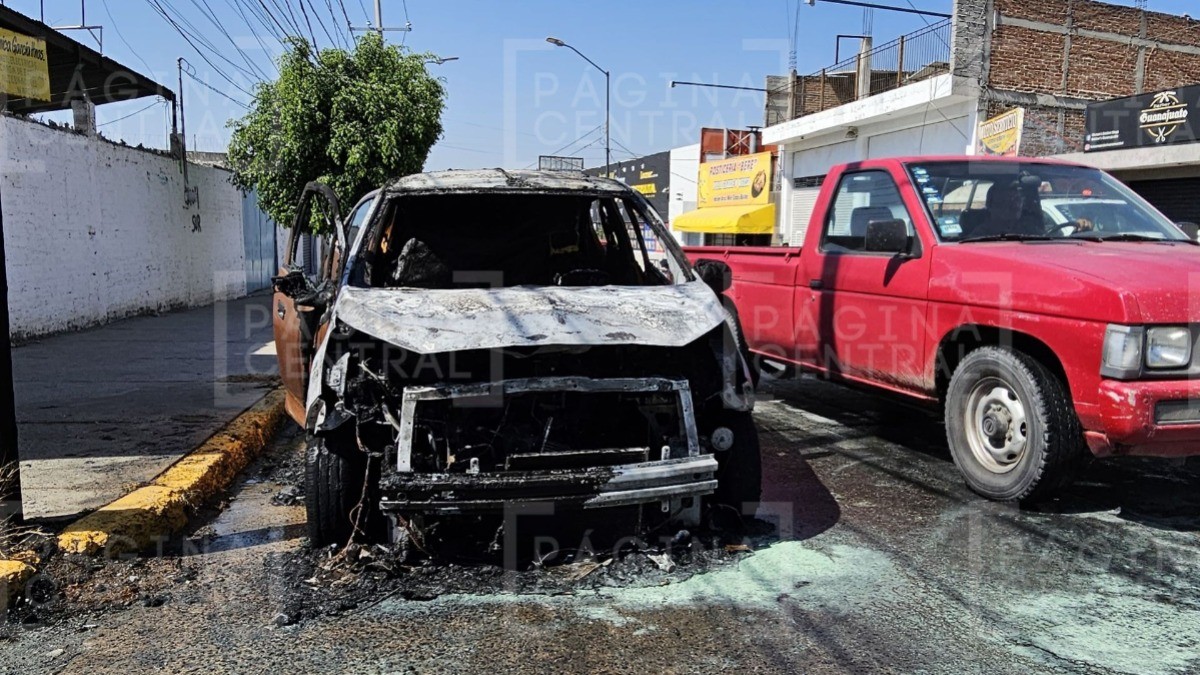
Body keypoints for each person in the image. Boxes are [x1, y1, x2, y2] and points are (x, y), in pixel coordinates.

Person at [969, 180, 1092, 238]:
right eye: (1007, 201)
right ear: (991, 205)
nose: (1015, 205)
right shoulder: (980, 235)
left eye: (1017, 200)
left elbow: (1052, 241)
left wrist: (1078, 232)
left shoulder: (1029, 228)